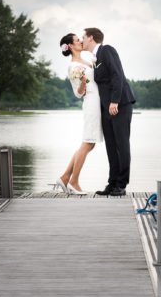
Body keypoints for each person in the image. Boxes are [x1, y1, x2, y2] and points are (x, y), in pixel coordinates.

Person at [81, 27, 135, 196]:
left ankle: (122, 184)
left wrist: (115, 101)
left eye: (83, 37)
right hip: (106, 108)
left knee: (121, 144)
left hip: (119, 104)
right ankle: (112, 183)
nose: (82, 40)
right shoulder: (95, 59)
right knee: (111, 147)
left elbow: (117, 75)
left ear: (91, 38)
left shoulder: (107, 50)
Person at [54, 32, 102, 194]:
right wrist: (82, 82)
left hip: (97, 102)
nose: (81, 41)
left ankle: (65, 177)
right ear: (71, 46)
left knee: (90, 143)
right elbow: (78, 93)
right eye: (77, 40)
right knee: (88, 142)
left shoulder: (87, 60)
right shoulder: (73, 67)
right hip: (91, 103)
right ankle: (73, 181)